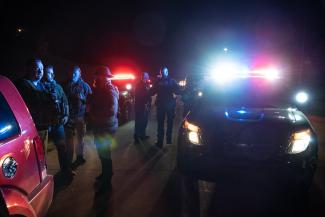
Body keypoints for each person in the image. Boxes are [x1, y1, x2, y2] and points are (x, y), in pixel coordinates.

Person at [15, 58, 56, 158]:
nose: (40, 71)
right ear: (29, 69)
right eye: (37, 68)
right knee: (30, 158)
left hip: (43, 128)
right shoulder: (22, 84)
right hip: (29, 131)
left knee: (42, 157)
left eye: (42, 69)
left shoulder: (43, 85)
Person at [90, 66, 119, 194]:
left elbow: (111, 110)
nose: (95, 78)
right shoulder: (100, 89)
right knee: (102, 152)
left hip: (106, 126)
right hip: (100, 125)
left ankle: (107, 178)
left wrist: (94, 114)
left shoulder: (109, 91)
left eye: (98, 76)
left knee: (105, 153)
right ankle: (105, 173)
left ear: (104, 77)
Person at [42, 65, 74, 177]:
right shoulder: (38, 86)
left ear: (53, 75)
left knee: (62, 148)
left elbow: (64, 102)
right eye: (46, 72)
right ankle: (43, 176)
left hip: (57, 123)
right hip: (44, 125)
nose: (47, 75)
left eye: (50, 73)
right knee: (41, 152)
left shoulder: (58, 87)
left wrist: (66, 115)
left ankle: (66, 170)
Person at [64, 66, 92, 166]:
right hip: (68, 117)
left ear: (79, 74)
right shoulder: (65, 85)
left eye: (75, 74)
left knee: (80, 139)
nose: (72, 76)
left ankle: (80, 157)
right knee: (69, 140)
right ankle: (68, 161)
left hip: (80, 117)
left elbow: (90, 101)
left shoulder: (85, 86)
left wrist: (82, 98)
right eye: (71, 73)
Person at [150, 66, 180, 148]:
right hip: (168, 106)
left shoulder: (158, 81)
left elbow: (152, 92)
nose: (163, 73)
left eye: (163, 72)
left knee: (161, 124)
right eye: (163, 72)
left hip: (163, 106)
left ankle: (161, 142)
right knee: (168, 123)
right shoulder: (171, 81)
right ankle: (168, 140)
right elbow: (178, 91)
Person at [134, 72, 151, 143]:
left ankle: (142, 135)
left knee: (144, 122)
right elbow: (139, 96)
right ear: (143, 77)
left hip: (144, 106)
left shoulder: (145, 85)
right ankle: (136, 138)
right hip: (141, 107)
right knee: (139, 122)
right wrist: (146, 102)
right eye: (146, 76)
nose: (147, 78)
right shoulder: (139, 85)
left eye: (147, 76)